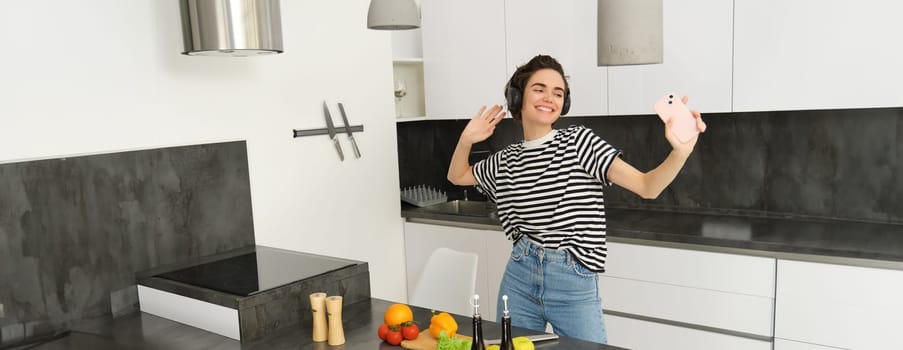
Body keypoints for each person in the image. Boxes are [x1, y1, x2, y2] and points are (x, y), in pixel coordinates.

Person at [446, 54, 706, 344]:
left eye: (558, 93)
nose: (549, 98)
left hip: (573, 281)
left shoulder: (580, 142)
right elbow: (457, 176)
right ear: (518, 97)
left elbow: (648, 186)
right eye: (539, 88)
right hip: (520, 276)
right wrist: (466, 139)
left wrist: (680, 153)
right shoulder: (506, 160)